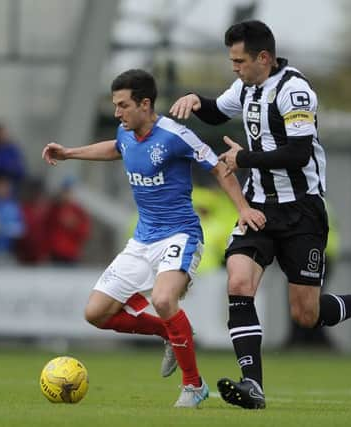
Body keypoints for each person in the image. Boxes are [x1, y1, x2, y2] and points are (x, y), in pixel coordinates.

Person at [170, 20, 351, 410]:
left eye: (239, 61)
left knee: (306, 314)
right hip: (258, 208)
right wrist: (194, 100)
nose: (234, 68)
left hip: (302, 212)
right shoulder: (247, 86)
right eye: (232, 61)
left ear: (264, 58)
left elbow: (298, 153)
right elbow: (219, 111)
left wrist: (243, 158)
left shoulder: (295, 91)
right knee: (238, 283)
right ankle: (252, 386)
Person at [42, 69, 265, 408]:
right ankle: (170, 333)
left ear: (145, 104)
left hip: (180, 234)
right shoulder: (125, 131)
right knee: (96, 313)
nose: (117, 113)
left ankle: (193, 385)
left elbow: (218, 167)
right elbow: (116, 147)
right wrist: (69, 153)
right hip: (142, 240)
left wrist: (243, 209)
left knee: (163, 300)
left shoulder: (176, 135)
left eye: (123, 105)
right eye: (115, 106)